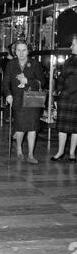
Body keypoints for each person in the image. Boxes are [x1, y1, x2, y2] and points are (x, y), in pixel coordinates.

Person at [2, 39, 45, 164]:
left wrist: (28, 81)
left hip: (33, 98)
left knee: (33, 127)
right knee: (20, 127)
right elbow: (5, 83)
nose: (21, 53)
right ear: (15, 51)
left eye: (24, 50)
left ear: (28, 51)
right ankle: (19, 150)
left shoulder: (35, 64)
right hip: (17, 99)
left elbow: (42, 82)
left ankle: (31, 154)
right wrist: (8, 94)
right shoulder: (11, 64)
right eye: (18, 50)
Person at [51, 34, 77, 163]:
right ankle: (60, 152)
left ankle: (72, 153)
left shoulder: (70, 61)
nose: (71, 46)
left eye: (73, 44)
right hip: (65, 97)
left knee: (75, 128)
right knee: (62, 127)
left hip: (74, 96)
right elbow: (62, 77)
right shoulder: (69, 60)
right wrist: (58, 89)